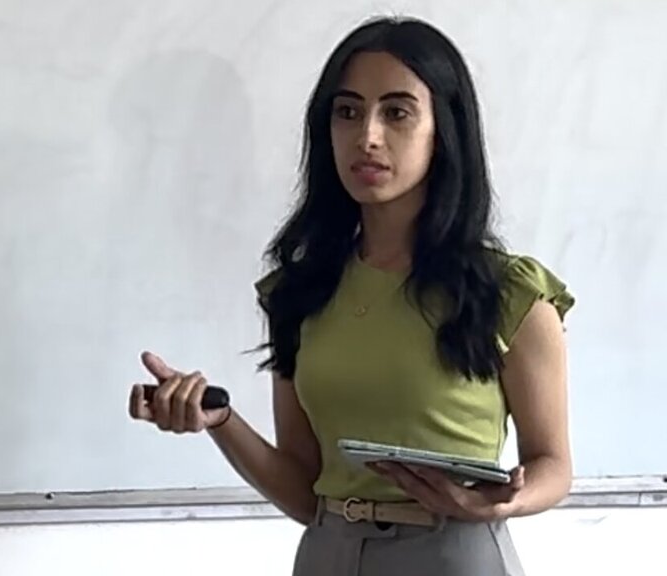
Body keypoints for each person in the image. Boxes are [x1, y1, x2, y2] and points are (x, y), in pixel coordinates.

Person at [127, 15, 574, 576]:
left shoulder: (509, 291)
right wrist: (220, 421)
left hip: (454, 551)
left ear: (444, 130)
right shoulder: (300, 291)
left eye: (397, 112)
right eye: (348, 112)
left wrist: (502, 501)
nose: (368, 136)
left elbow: (553, 465)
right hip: (329, 551)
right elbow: (304, 489)